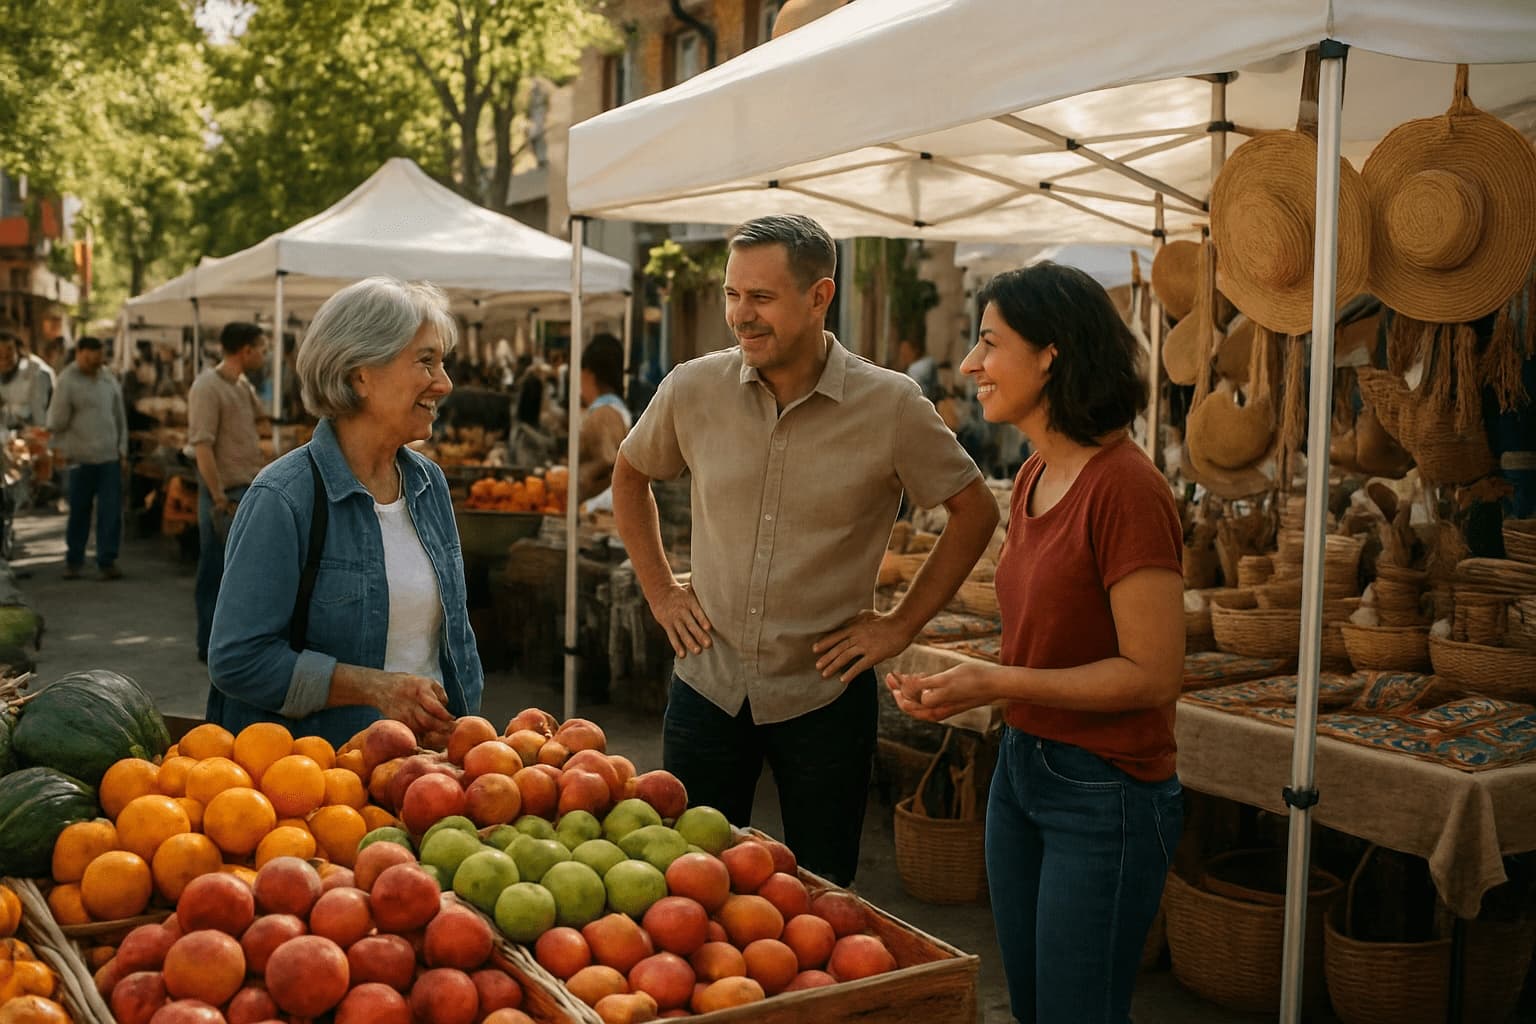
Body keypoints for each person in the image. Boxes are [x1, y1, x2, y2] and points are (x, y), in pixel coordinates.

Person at [612, 214, 999, 885]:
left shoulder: (892, 406)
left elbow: (975, 510)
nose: (740, 316)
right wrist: (662, 590)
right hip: (710, 682)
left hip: (824, 696)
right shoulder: (693, 388)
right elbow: (629, 474)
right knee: (685, 884)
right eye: (734, 295)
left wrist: (900, 625)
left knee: (823, 894)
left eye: (760, 298)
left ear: (820, 296)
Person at [886, 263, 1184, 1024]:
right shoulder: (1031, 475)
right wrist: (974, 681)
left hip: (1104, 791)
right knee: (1031, 1007)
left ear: (1051, 353)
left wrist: (994, 685)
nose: (970, 365)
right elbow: (1046, 645)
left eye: (989, 342)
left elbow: (1152, 676)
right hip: (1022, 771)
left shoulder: (1127, 488)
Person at [207, 277, 484, 747]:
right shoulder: (284, 497)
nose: (444, 383)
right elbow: (238, 659)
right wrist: (374, 687)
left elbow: (453, 642)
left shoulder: (428, 484)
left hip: (428, 774)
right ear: (360, 374)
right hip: (325, 783)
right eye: (425, 362)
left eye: (442, 363)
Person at [187, 322, 270, 662]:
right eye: (262, 349)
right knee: (214, 572)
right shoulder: (207, 387)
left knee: (241, 574)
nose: (264, 356)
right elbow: (202, 446)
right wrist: (218, 497)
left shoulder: (242, 384)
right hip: (225, 493)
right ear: (245, 350)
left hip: (247, 487)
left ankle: (234, 646)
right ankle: (209, 646)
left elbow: (261, 419)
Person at [45, 336, 127, 580]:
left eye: (99, 358)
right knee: (79, 511)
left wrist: (122, 448)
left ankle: (107, 560)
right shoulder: (66, 381)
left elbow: (119, 415)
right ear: (79, 353)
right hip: (79, 458)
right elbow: (56, 422)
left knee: (111, 512)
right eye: (91, 358)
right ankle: (74, 561)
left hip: (109, 456)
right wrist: (57, 451)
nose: (96, 363)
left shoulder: (108, 378)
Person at [577, 333, 631, 506]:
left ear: (589, 374)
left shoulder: (603, 414)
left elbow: (609, 462)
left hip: (601, 510)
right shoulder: (617, 409)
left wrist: (581, 476)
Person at [0, 330, 55, 428]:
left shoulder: (36, 373)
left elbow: (40, 418)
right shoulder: (5, 372)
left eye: (9, 350)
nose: (4, 357)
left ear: (18, 350)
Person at [896, 336, 943, 404]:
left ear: (915, 350)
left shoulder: (915, 369)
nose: (903, 355)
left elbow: (915, 396)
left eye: (906, 351)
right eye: (901, 351)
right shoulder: (929, 361)